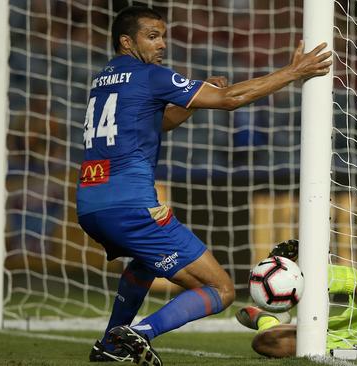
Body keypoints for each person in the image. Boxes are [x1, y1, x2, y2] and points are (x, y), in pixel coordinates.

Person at [75, 6, 332, 365]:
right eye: (152, 36)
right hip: (130, 205)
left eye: (163, 35)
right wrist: (294, 71)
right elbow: (230, 100)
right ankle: (138, 335)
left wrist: (194, 100)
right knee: (220, 289)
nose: (162, 43)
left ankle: (111, 344)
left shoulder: (104, 79)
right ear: (126, 40)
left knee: (146, 262)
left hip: (90, 204)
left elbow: (158, 122)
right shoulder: (151, 75)